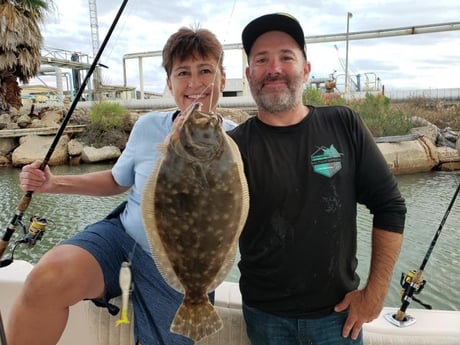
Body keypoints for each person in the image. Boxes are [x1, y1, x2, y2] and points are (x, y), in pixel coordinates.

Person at [6, 27, 236, 345]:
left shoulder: (241, 140)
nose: (195, 83)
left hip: (186, 263)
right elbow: (117, 180)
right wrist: (53, 183)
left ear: (222, 79)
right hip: (123, 240)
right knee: (47, 278)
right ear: (169, 83)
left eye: (206, 71)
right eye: (183, 73)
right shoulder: (147, 127)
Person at [227, 13, 406, 345]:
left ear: (306, 69)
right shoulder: (233, 147)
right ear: (249, 74)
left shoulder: (344, 124)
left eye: (286, 57)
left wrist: (375, 293)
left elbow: (390, 206)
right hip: (265, 317)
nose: (274, 68)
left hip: (337, 317)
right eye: (261, 60)